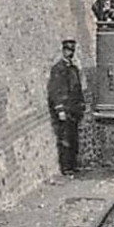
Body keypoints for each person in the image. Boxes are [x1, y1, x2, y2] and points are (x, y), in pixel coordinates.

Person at [47, 39, 85, 177]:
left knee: (73, 138)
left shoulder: (73, 68)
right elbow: (55, 90)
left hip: (73, 109)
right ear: (63, 50)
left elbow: (77, 88)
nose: (70, 53)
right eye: (68, 50)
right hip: (65, 109)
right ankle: (66, 167)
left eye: (72, 51)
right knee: (65, 139)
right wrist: (60, 109)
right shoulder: (58, 69)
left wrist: (81, 105)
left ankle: (73, 165)